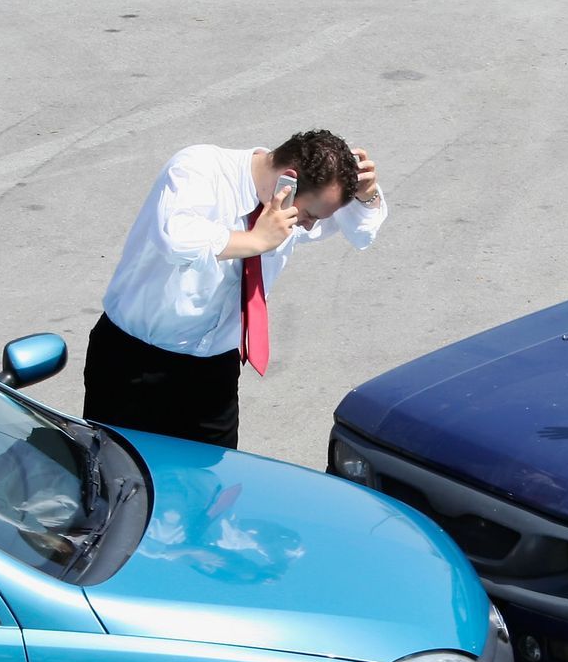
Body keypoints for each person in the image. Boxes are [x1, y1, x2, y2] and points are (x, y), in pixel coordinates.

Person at [83, 130, 384, 448]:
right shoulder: (198, 167)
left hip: (214, 373)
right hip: (135, 364)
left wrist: (369, 196)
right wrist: (255, 240)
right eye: (308, 215)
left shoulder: (288, 208)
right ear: (288, 181)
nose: (308, 225)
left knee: (214, 488)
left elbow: (362, 235)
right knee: (116, 483)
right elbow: (176, 238)